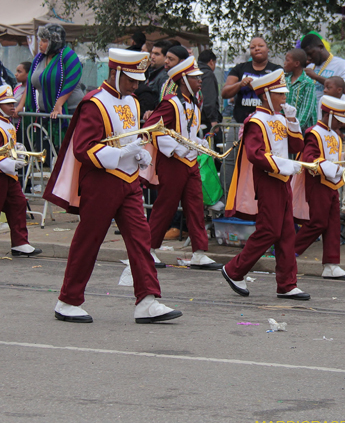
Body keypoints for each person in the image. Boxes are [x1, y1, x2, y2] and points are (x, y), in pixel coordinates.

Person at [43, 48, 182, 324]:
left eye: (138, 80)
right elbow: (84, 149)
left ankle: (147, 300)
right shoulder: (93, 103)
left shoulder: (132, 102)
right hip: (101, 181)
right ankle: (68, 300)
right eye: (131, 79)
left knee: (141, 240)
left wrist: (139, 154)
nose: (136, 85)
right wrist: (121, 154)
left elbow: (130, 137)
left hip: (129, 181)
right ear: (115, 72)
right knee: (89, 240)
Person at [221, 70, 310, 300]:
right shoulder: (256, 121)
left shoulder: (280, 118)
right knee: (270, 230)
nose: (284, 98)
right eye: (280, 94)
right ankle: (234, 270)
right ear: (266, 95)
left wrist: (293, 122)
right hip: (268, 179)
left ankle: (287, 284)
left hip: (283, 180)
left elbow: (297, 145)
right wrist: (284, 165)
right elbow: (255, 154)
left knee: (287, 233)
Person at [144, 56, 219, 269]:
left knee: (195, 206)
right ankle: (148, 249)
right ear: (184, 80)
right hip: (173, 163)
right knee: (165, 206)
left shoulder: (193, 104)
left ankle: (199, 252)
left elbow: (189, 132)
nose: (200, 81)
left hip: (190, 162)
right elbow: (152, 129)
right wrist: (177, 147)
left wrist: (199, 143)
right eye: (195, 77)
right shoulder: (171, 103)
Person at [292, 95, 345, 280]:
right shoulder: (314, 133)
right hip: (317, 183)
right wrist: (334, 168)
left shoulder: (335, 134)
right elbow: (310, 159)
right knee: (318, 222)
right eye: (339, 120)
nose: (341, 124)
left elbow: (331, 156)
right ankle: (289, 252)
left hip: (331, 183)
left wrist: (343, 158)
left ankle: (331, 264)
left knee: (334, 223)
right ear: (329, 115)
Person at [0, 85, 42, 258]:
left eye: (12, 103)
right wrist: (13, 164)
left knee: (18, 204)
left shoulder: (7, 124)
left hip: (8, 175)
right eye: (7, 104)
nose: (12, 106)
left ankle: (20, 242)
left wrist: (18, 152)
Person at [24, 24, 83, 119]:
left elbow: (71, 81)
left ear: (55, 42)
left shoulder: (69, 56)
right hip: (46, 113)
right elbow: (30, 84)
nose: (40, 44)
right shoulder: (38, 59)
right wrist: (20, 106)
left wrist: (58, 104)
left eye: (44, 41)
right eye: (40, 40)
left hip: (69, 112)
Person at [221, 37, 282, 125]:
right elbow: (225, 93)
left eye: (261, 46)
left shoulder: (276, 70)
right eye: (253, 47)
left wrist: (258, 86)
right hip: (240, 122)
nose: (257, 49)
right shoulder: (239, 68)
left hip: (268, 122)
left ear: (267, 49)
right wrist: (240, 84)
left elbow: (281, 96)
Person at [300, 32, 345, 97]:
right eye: (306, 55)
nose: (308, 58)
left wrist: (316, 77)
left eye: (310, 54)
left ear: (320, 47)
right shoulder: (310, 67)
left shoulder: (343, 65)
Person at [136, 39, 173, 119]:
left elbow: (163, 103)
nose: (152, 57)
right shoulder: (151, 72)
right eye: (152, 53)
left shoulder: (165, 77)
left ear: (166, 57)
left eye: (157, 54)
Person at [284, 48, 318, 130]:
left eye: (287, 60)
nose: (284, 63)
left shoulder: (308, 83)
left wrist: (295, 127)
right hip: (286, 126)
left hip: (302, 129)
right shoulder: (285, 81)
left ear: (296, 63)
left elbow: (306, 110)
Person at [197, 49, 222, 134]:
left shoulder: (193, 73)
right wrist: (213, 119)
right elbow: (209, 98)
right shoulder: (208, 74)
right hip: (206, 120)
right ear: (211, 62)